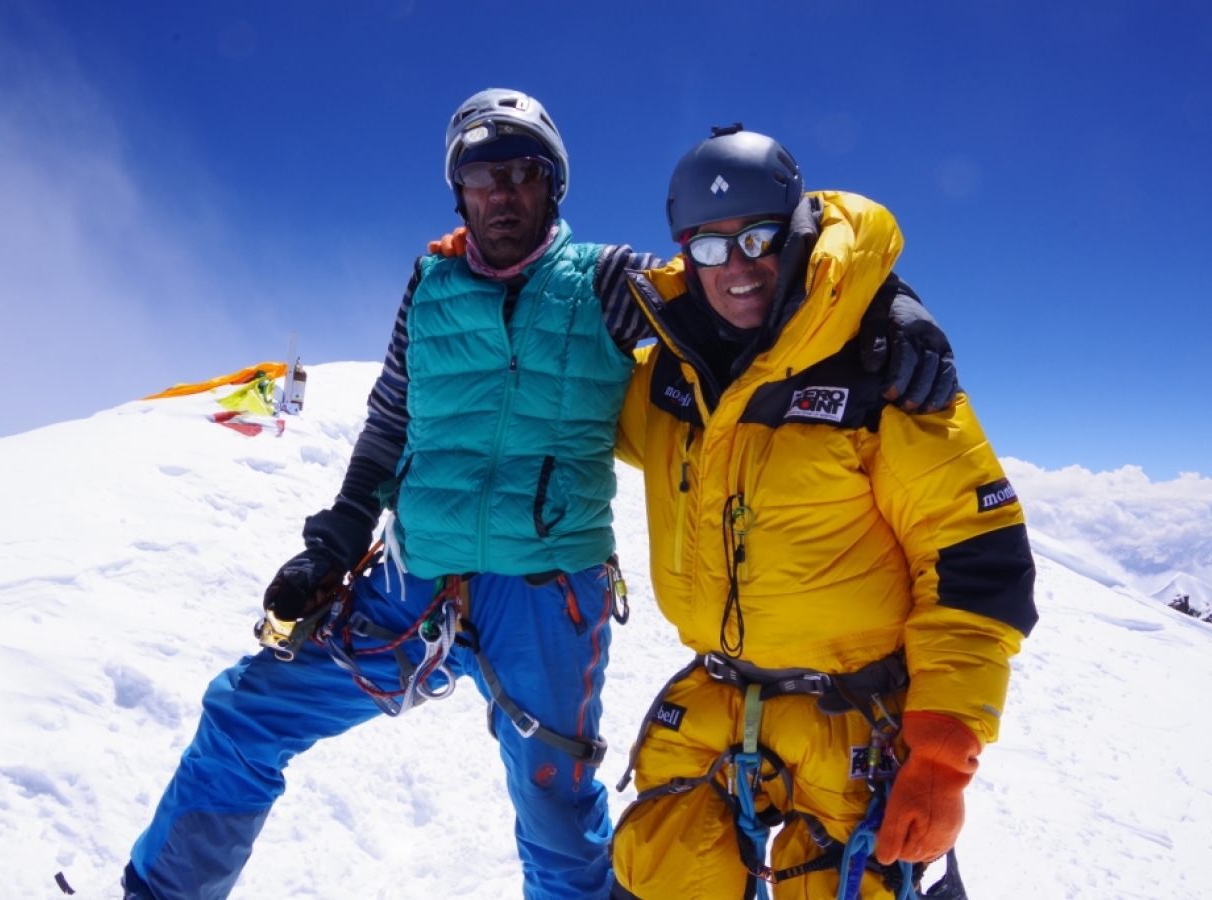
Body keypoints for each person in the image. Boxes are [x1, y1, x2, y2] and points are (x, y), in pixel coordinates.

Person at [120, 92, 958, 900]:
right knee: (246, 713)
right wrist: (333, 543)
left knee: (556, 819)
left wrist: (889, 304)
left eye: (523, 172)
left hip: (549, 596)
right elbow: (389, 423)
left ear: (554, 185)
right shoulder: (430, 285)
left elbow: (751, 285)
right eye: (483, 175)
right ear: (460, 191)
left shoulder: (609, 283)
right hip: (414, 581)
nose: (503, 193)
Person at [605, 127, 1038, 900]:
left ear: (797, 232)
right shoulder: (667, 382)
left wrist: (939, 759)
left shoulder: (884, 371)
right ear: (683, 254)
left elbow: (978, 559)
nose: (735, 266)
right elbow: (553, 402)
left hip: (857, 719)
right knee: (661, 869)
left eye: (757, 237)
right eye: (708, 246)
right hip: (720, 702)